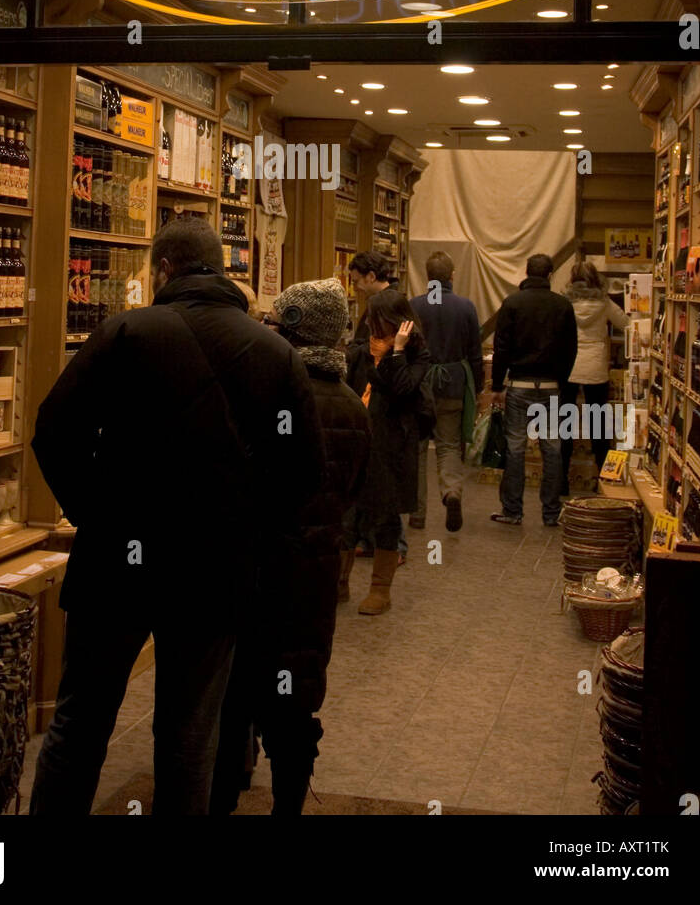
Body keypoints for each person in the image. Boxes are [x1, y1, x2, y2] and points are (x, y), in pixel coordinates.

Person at [29, 217, 324, 816]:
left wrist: (95, 511)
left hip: (117, 561)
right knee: (191, 738)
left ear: (163, 268)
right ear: (220, 267)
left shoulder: (126, 333)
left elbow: (54, 432)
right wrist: (248, 533)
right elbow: (301, 476)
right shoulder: (277, 354)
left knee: (79, 724)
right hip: (215, 572)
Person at [210, 278, 370, 816]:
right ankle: (286, 808)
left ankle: (223, 797)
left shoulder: (263, 392)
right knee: (293, 694)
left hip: (253, 564)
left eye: (275, 323)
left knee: (236, 691)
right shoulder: (352, 405)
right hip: (314, 573)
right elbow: (354, 492)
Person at [344, 289, 432, 614]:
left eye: (381, 322)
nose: (374, 328)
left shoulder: (417, 355)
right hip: (358, 441)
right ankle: (339, 582)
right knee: (347, 514)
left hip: (392, 445)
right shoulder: (360, 350)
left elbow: (404, 390)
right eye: (372, 321)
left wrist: (394, 353)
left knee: (385, 513)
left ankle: (381, 589)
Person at [490, 253, 578, 527]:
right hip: (551, 386)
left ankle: (513, 511)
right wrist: (562, 382)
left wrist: (496, 384)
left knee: (515, 447)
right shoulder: (563, 306)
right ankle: (551, 512)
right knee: (552, 448)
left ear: (526, 273)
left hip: (519, 385)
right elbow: (571, 349)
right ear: (550, 275)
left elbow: (501, 347)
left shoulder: (512, 304)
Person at [409, 250, 483, 533]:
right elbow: (475, 354)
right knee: (449, 445)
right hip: (453, 382)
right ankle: (451, 491)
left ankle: (417, 514)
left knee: (417, 449)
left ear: (428, 277)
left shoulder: (414, 305)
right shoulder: (466, 307)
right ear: (452, 276)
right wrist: (475, 388)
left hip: (421, 383)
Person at [560, 260, 630, 492]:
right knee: (599, 425)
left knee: (565, 425)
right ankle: (603, 479)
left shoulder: (564, 303)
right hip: (596, 367)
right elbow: (626, 324)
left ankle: (561, 480)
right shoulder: (604, 302)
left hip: (568, 366)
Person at [347, 250, 397, 350]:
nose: (355, 288)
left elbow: (373, 350)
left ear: (371, 276)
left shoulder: (386, 306)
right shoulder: (385, 300)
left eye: (356, 282)